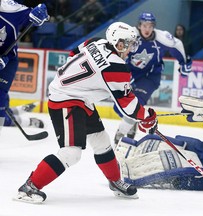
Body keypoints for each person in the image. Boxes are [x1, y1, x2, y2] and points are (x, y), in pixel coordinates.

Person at [15, 21, 158, 204]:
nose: (131, 48)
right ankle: (29, 187)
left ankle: (115, 182)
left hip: (78, 98)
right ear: (119, 43)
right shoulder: (116, 66)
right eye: (129, 44)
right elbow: (128, 106)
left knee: (101, 140)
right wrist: (148, 117)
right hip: (65, 100)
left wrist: (84, 84)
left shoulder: (96, 41)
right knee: (71, 153)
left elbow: (74, 53)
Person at [114, 12, 192, 145]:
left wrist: (184, 62)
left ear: (153, 27)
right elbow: (116, 51)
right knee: (119, 106)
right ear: (139, 25)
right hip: (131, 74)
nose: (147, 29)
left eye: (150, 26)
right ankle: (132, 121)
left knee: (136, 103)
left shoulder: (162, 37)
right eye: (144, 25)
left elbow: (177, 44)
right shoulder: (130, 35)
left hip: (151, 76)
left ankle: (119, 137)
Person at [0, 1, 49, 136]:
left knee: (0, 104)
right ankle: (19, 116)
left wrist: (39, 14)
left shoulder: (9, 8)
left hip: (8, 60)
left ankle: (20, 118)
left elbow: (31, 18)